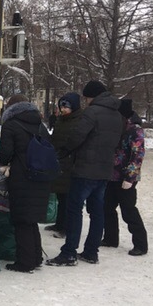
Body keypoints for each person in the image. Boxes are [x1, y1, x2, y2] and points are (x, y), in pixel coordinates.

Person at [47, 80, 124, 267]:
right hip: (105, 170)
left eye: (87, 97)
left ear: (92, 96)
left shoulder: (92, 112)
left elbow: (78, 136)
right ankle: (91, 252)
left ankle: (69, 253)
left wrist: (64, 152)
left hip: (84, 169)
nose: (86, 101)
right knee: (97, 211)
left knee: (74, 210)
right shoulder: (117, 114)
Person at [0, 94, 52, 272]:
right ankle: (35, 257)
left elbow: (6, 151)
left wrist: (4, 166)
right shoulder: (40, 125)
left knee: (21, 219)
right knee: (32, 219)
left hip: (21, 176)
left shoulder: (10, 125)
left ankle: (25, 262)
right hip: (41, 176)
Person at [102, 99, 148, 254]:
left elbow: (138, 155)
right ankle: (110, 238)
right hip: (111, 176)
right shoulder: (117, 126)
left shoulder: (135, 130)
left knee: (128, 211)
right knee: (107, 208)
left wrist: (130, 178)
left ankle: (141, 244)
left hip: (126, 178)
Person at [47, 93, 83, 237]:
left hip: (70, 162)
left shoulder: (79, 120)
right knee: (60, 196)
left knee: (68, 198)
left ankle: (66, 228)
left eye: (65, 106)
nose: (63, 109)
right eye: (61, 106)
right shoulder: (61, 120)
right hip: (59, 160)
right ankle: (59, 223)